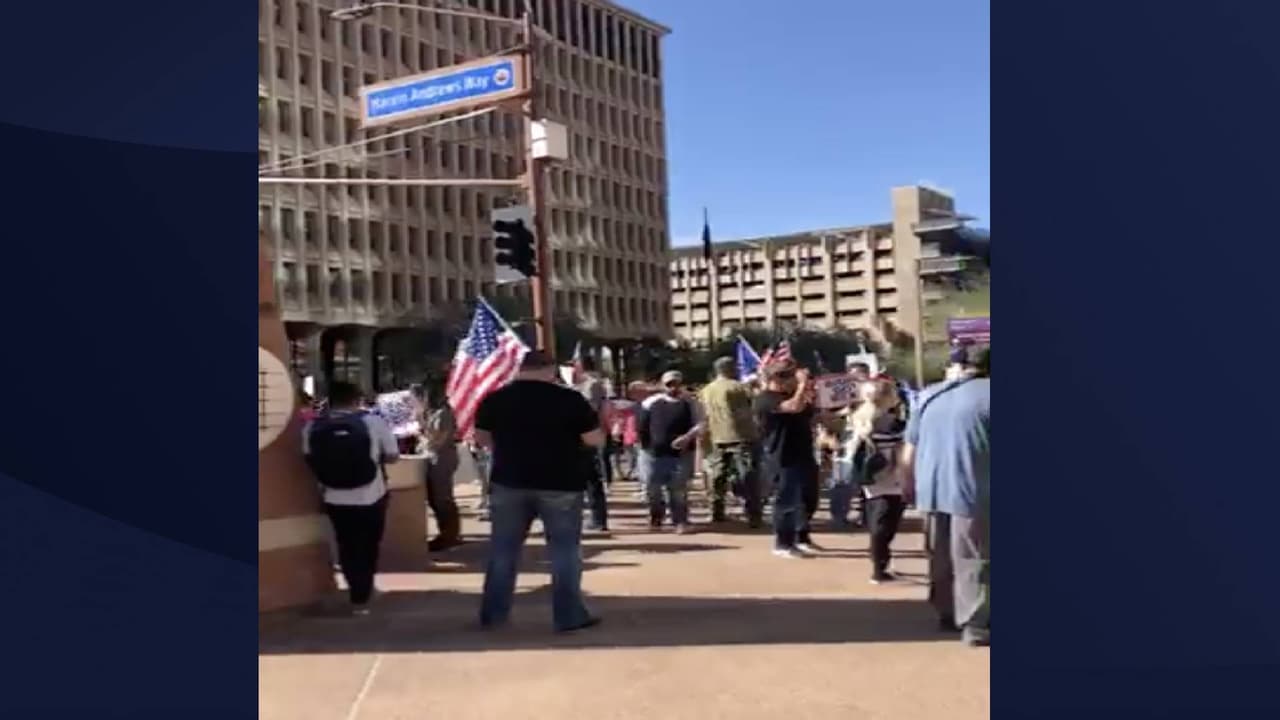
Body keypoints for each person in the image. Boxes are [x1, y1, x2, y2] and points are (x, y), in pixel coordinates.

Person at [474, 350, 603, 633]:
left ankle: (493, 614)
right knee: (564, 552)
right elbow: (593, 439)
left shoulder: (496, 398)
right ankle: (568, 616)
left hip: (509, 481)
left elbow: (481, 438)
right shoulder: (570, 399)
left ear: (521, 368)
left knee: (503, 551)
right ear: (550, 369)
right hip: (562, 483)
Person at [902, 347, 990, 647]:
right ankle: (976, 623)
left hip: (931, 488)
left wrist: (908, 482)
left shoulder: (929, 396)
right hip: (974, 488)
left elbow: (909, 449)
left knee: (939, 553)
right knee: (973, 557)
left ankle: (947, 611)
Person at [302, 381, 399, 616]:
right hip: (371, 494)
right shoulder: (372, 422)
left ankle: (357, 591)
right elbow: (393, 455)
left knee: (346, 545)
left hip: (334, 496)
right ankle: (363, 593)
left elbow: (309, 458)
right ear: (357, 400)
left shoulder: (312, 427)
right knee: (369, 544)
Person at [843, 378, 908, 583]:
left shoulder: (856, 417)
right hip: (891, 478)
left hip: (868, 477)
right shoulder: (893, 424)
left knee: (876, 521)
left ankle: (880, 563)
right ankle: (879, 568)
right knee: (886, 525)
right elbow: (902, 452)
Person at [754, 360, 821, 557]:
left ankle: (801, 536)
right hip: (782, 455)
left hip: (804, 453)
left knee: (809, 498)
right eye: (790, 376)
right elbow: (792, 407)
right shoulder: (765, 399)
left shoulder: (796, 395)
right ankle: (783, 543)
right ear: (777, 378)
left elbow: (812, 414)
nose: (794, 379)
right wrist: (801, 386)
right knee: (786, 501)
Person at [636, 370, 702, 533]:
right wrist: (645, 448)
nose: (673, 387)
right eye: (669, 384)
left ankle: (680, 520)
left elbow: (701, 424)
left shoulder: (690, 403)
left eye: (676, 384)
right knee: (653, 489)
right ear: (662, 385)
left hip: (681, 455)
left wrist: (687, 438)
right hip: (653, 454)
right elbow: (641, 427)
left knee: (678, 490)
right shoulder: (651, 403)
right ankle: (656, 517)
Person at [698, 356, 761, 525]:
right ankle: (753, 514)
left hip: (716, 437)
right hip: (741, 436)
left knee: (717, 477)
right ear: (731, 369)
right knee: (747, 476)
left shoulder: (705, 390)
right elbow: (751, 408)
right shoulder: (738, 387)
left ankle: (716, 511)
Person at [421, 380, 461, 552]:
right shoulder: (433, 413)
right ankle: (446, 532)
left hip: (442, 458)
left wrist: (425, 441)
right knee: (435, 497)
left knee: (442, 497)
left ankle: (449, 535)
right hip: (435, 457)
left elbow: (440, 439)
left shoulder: (444, 414)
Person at [577, 364, 611, 531]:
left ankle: (599, 519)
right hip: (575, 439)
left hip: (585, 439)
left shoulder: (592, 385)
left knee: (592, 481)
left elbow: (593, 409)